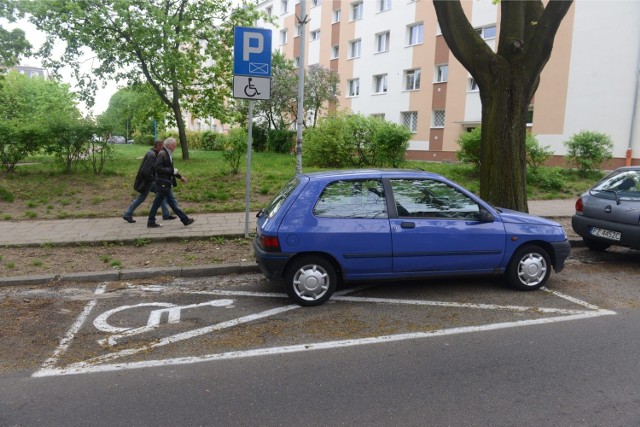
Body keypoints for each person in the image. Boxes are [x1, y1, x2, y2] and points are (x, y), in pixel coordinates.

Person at [123, 140, 175, 223]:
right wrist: (153, 180)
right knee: (142, 198)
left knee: (161, 195)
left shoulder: (152, 153)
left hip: (149, 180)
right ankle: (127, 214)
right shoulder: (152, 155)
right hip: (148, 181)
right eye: (162, 147)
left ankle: (166, 214)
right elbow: (146, 170)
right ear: (158, 146)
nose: (163, 149)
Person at [147, 137, 195, 228]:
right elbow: (157, 168)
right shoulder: (163, 154)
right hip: (163, 183)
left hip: (165, 182)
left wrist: (180, 177)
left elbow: (171, 170)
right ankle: (185, 220)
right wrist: (171, 171)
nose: (175, 148)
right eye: (174, 146)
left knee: (160, 203)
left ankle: (151, 221)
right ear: (168, 146)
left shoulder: (167, 153)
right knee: (169, 202)